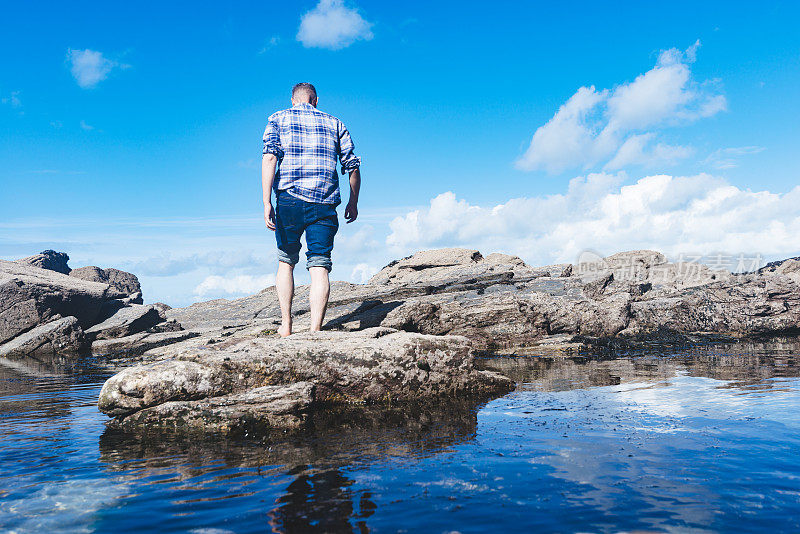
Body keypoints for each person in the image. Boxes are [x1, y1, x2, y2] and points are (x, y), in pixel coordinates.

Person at [261, 82, 362, 337]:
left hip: (290, 200)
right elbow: (352, 166)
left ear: (293, 100)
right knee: (319, 265)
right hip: (325, 203)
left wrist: (266, 202)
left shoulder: (278, 118)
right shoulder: (335, 123)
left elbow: (270, 157)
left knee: (286, 262)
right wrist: (353, 201)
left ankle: (286, 325)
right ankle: (315, 330)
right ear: (315, 100)